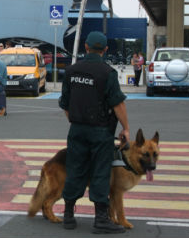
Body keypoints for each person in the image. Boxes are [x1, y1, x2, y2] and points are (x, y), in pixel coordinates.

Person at [58, 31, 130, 234]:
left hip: (77, 130)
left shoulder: (71, 71)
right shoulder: (107, 73)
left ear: (86, 47)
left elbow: (65, 104)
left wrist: (76, 121)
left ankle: (68, 216)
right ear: (105, 50)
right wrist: (125, 129)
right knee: (100, 172)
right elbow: (118, 105)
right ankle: (100, 219)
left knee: (75, 170)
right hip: (101, 131)